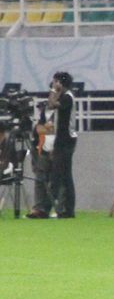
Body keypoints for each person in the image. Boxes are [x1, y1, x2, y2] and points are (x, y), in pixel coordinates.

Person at [49, 71, 77, 218]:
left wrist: (54, 90)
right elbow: (50, 106)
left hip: (66, 140)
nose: (53, 85)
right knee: (64, 175)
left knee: (62, 176)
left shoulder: (67, 97)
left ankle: (65, 208)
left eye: (55, 82)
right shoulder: (64, 96)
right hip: (61, 139)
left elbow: (52, 104)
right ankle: (66, 209)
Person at [26, 98, 57, 219]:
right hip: (41, 151)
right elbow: (37, 131)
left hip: (54, 151)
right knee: (40, 180)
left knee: (54, 182)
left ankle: (54, 207)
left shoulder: (58, 115)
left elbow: (55, 130)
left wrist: (46, 129)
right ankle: (39, 208)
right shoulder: (42, 118)